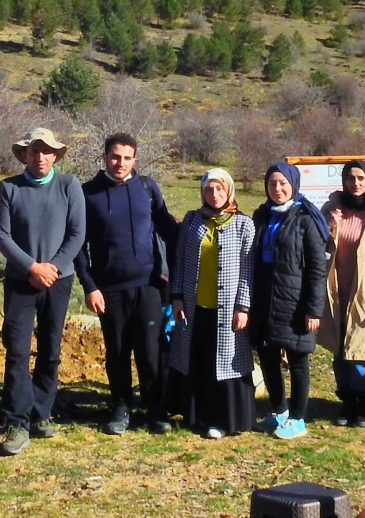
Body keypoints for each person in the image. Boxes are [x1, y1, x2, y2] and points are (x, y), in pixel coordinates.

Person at [75, 133, 178, 435]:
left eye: (127, 158)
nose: (120, 163)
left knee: (150, 351)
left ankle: (156, 410)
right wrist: (89, 285)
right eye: (115, 157)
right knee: (117, 351)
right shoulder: (88, 193)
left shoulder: (147, 188)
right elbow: (79, 245)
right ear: (105, 156)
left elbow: (169, 230)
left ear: (135, 159)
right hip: (109, 289)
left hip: (148, 285)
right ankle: (120, 408)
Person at [0, 127, 86, 456]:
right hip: (21, 281)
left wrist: (52, 268)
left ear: (56, 155)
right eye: (35, 150)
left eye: (48, 151)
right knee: (16, 350)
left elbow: (77, 233)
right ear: (25, 155)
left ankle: (41, 413)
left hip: (59, 280)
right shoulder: (9, 188)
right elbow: (2, 236)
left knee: (50, 347)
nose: (41, 156)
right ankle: (16, 421)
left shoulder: (69, 185)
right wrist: (32, 268)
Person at [169, 168, 255, 438]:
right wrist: (177, 296)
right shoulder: (193, 221)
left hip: (228, 309)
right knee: (201, 362)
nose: (214, 194)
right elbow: (181, 261)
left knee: (227, 362)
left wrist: (243, 307)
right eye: (209, 189)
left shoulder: (243, 224)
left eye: (220, 189)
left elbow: (248, 269)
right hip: (196, 307)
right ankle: (199, 416)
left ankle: (224, 419)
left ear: (229, 190)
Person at [248, 161, 328, 440]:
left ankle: (298, 418)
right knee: (268, 356)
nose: (278, 189)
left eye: (283, 183)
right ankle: (279, 411)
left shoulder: (306, 220)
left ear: (294, 185)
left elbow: (318, 269)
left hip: (295, 301)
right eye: (272, 184)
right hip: (265, 299)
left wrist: (313, 308)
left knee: (297, 360)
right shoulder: (262, 215)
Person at [317, 160, 365, 427]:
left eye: (361, 178)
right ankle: (346, 402)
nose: (356, 183)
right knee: (339, 349)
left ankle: (364, 406)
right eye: (351, 178)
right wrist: (328, 225)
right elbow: (316, 245)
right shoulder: (331, 208)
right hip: (336, 287)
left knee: (359, 351)